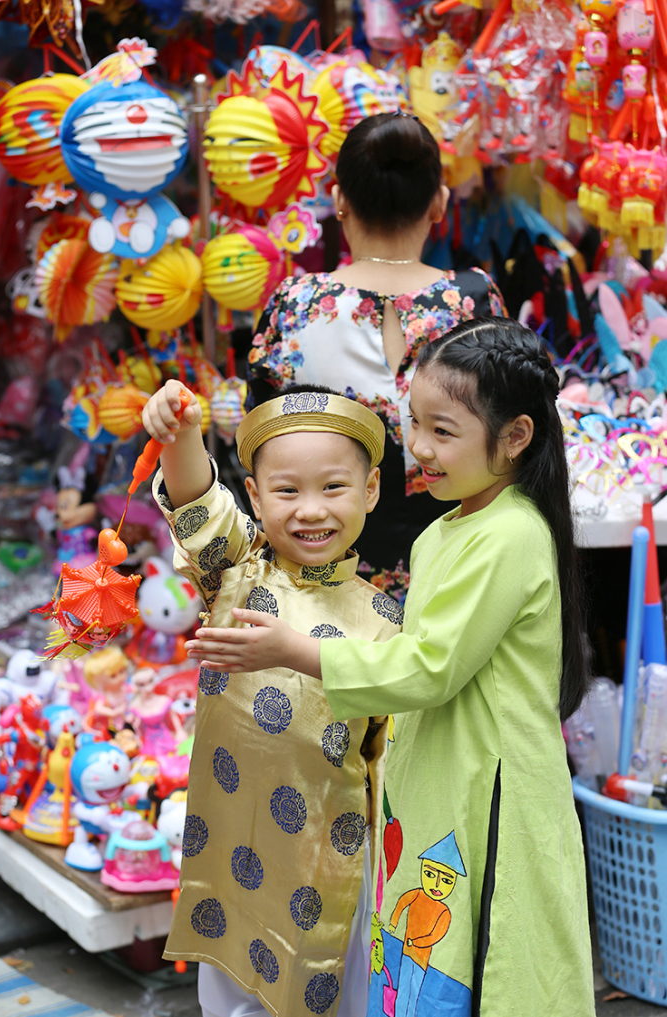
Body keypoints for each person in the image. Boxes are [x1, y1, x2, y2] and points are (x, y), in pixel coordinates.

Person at [186, 318, 595, 1017]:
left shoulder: (512, 534)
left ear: (516, 436)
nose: (422, 448)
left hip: (487, 788)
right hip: (439, 779)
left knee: (489, 959)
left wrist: (293, 651)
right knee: (428, 956)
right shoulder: (446, 529)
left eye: (443, 430)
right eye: (414, 423)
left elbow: (428, 665)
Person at [143, 378, 403, 1017]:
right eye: (287, 491)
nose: (310, 510)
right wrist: (179, 435)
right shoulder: (237, 569)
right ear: (255, 497)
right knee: (230, 992)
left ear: (369, 489)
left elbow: (391, 767)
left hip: (328, 861)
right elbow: (196, 499)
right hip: (230, 845)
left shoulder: (388, 621)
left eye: (333, 487)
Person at [248, 112, 506, 602]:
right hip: (460, 577)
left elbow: (259, 446)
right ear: (439, 203)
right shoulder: (475, 300)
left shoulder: (294, 304)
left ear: (339, 200)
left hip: (324, 575)